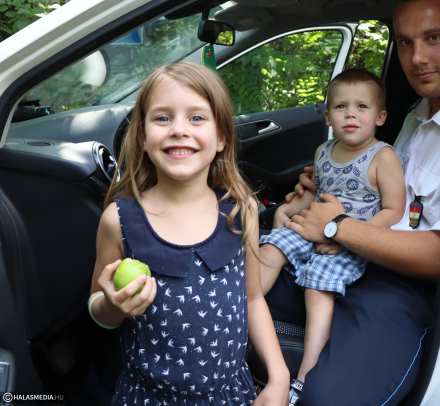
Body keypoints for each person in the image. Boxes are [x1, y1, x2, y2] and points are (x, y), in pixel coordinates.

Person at [264, 0, 440, 405]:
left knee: (328, 399)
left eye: (434, 38)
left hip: (406, 288)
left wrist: (336, 227)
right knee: (226, 267)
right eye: (405, 42)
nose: (416, 58)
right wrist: (323, 186)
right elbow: (382, 186)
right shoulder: (420, 110)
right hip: (359, 256)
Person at [87, 62, 290, 406]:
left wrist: (279, 376)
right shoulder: (118, 220)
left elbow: (253, 298)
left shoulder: (241, 211)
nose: (179, 129)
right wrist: (112, 306)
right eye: (162, 118)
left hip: (230, 395)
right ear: (142, 137)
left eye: (196, 118)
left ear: (222, 137)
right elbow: (97, 306)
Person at [258, 69, 405, 404]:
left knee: (318, 284)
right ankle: (237, 314)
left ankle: (305, 374)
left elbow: (394, 211)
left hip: (354, 241)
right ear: (328, 116)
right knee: (272, 245)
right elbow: (315, 194)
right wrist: (286, 213)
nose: (351, 114)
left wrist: (346, 235)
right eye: (341, 107)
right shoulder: (323, 151)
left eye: (362, 107)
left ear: (380, 117)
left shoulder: (383, 157)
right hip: (315, 228)